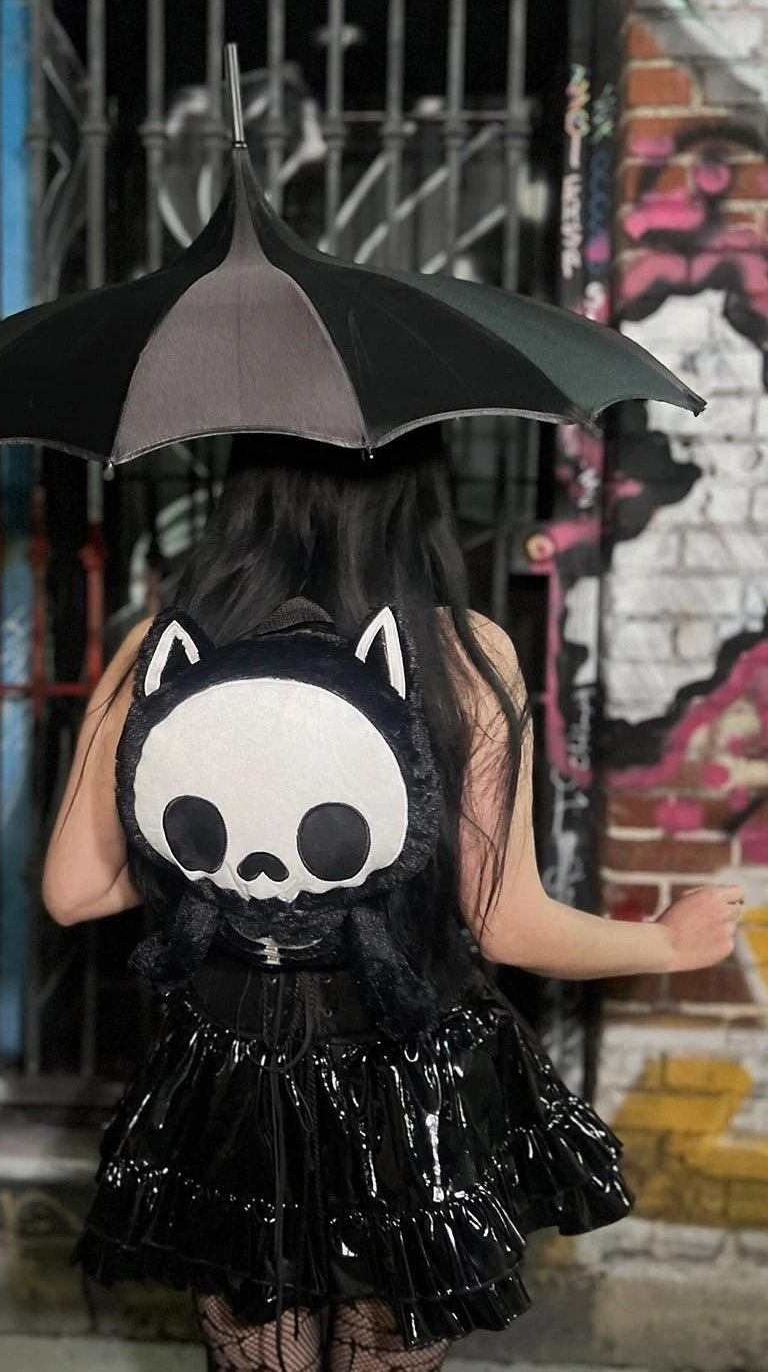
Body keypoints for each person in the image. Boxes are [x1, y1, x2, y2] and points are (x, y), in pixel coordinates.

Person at [43, 429, 744, 1372]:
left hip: (230, 1072)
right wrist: (667, 943)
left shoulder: (163, 651)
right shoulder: (462, 655)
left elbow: (75, 889)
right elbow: (506, 921)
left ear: (248, 489)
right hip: (405, 1083)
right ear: (416, 492)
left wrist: (221, 851)